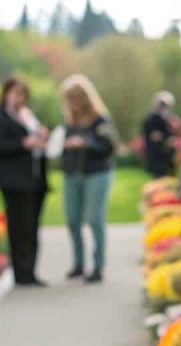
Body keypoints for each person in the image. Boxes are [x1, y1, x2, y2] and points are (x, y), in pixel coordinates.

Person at [0, 76, 49, 287]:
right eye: (15, 93)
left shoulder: (28, 117)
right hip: (14, 182)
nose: (19, 98)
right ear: (6, 94)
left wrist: (41, 138)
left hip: (35, 180)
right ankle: (20, 272)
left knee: (32, 227)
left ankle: (30, 270)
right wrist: (23, 144)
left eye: (23, 94)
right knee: (18, 227)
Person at [59, 74, 116, 284]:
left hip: (96, 173)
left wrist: (86, 143)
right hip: (73, 173)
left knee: (94, 219)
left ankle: (98, 266)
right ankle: (78, 263)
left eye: (74, 98)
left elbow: (109, 146)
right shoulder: (69, 122)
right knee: (72, 219)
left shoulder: (100, 120)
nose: (71, 103)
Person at [142, 91, 175, 178]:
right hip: (157, 156)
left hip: (166, 157)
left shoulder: (167, 118)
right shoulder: (152, 119)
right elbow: (154, 136)